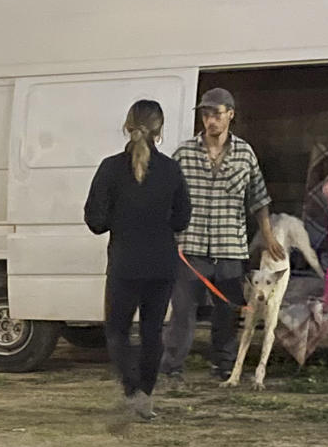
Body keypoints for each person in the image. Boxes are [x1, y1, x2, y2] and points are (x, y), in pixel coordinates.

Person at [162, 87, 284, 385]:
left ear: (230, 114)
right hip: (190, 244)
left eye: (216, 114)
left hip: (230, 245)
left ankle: (224, 365)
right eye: (206, 114)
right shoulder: (184, 153)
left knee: (227, 311)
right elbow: (167, 198)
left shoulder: (244, 153)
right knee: (182, 310)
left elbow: (259, 198)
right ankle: (172, 367)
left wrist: (268, 236)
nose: (210, 120)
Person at [84, 99, 191, 421]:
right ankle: (146, 393)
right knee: (151, 331)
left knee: (117, 330)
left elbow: (95, 221)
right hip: (162, 263)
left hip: (125, 263)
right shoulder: (172, 170)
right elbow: (182, 219)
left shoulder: (110, 168)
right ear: (160, 131)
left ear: (127, 126)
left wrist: (119, 219)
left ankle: (131, 389)